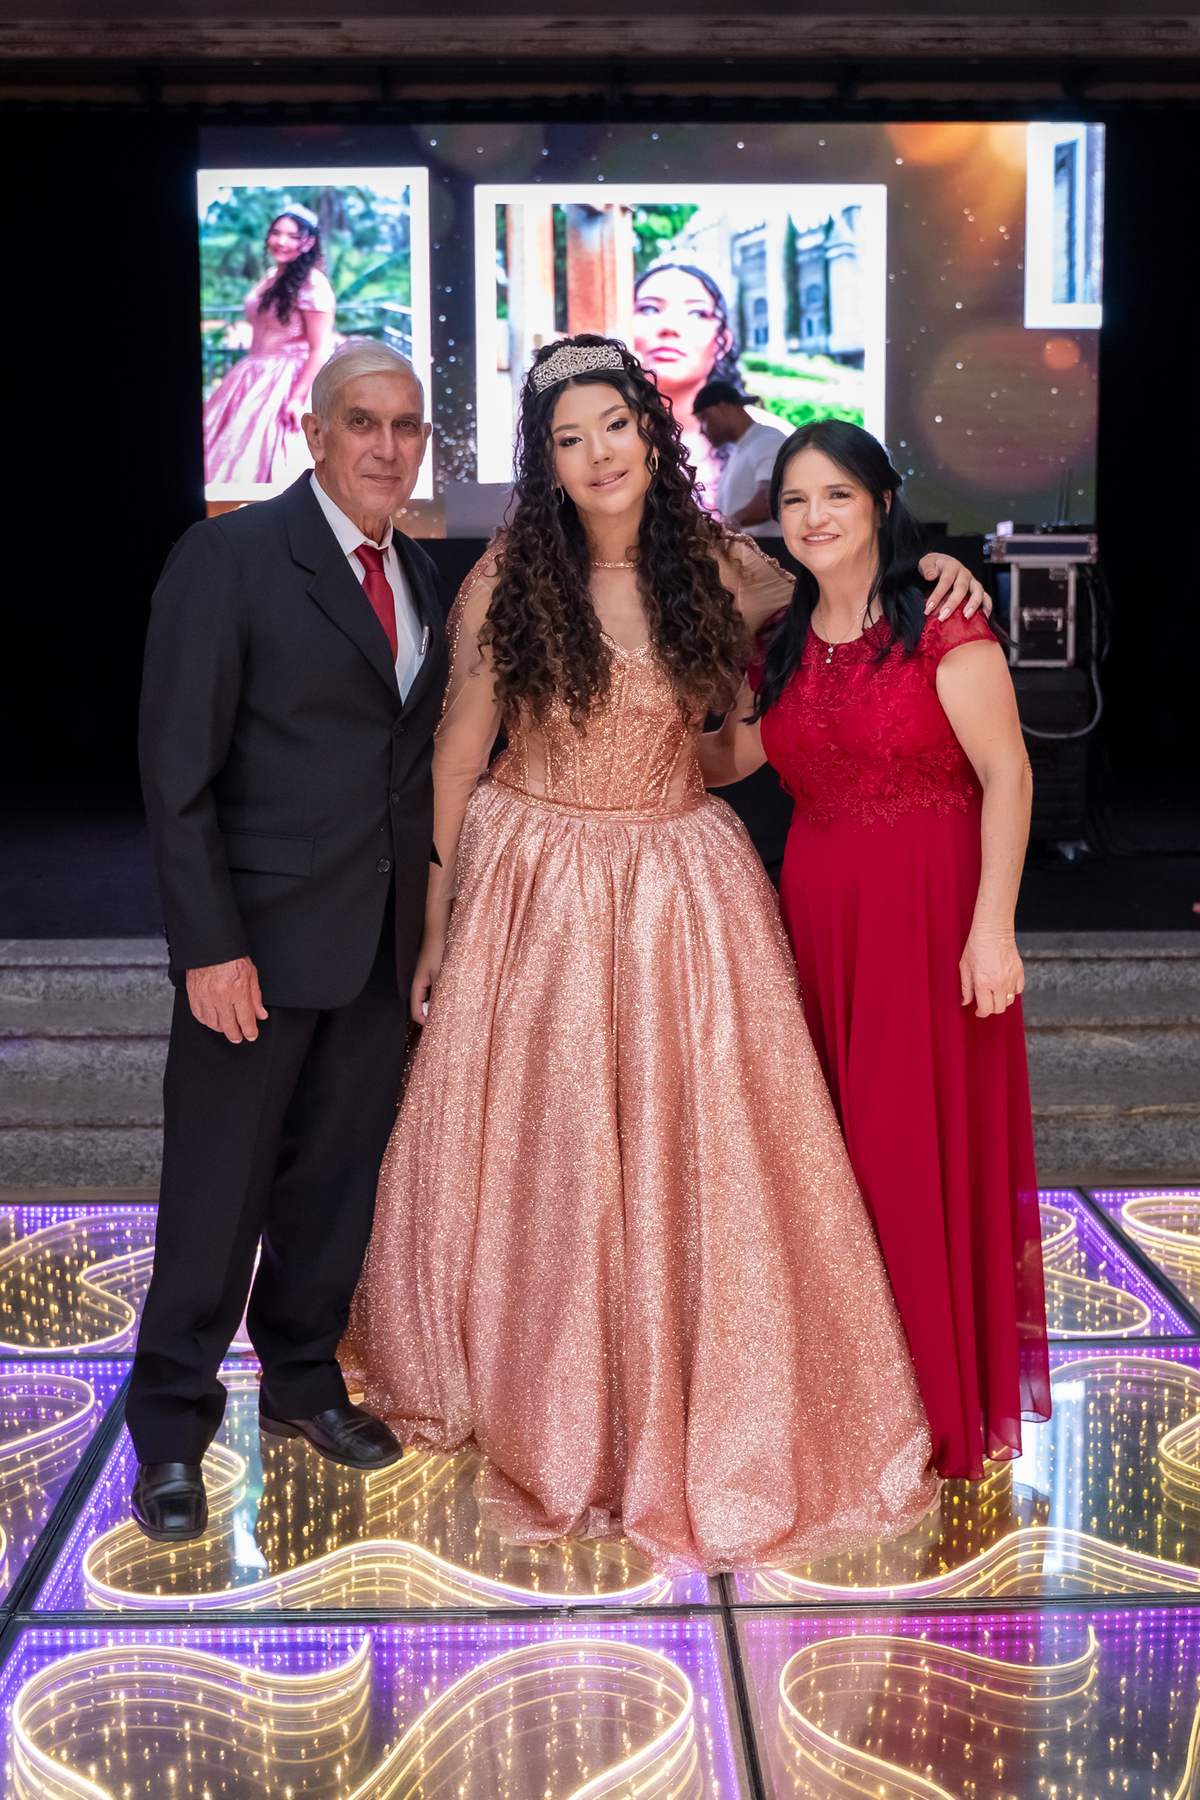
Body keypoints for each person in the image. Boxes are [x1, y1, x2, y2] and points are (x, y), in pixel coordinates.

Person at [345, 336, 986, 1575]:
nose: (598, 454)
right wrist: (435, 925)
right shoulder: (509, 581)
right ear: (546, 461)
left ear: (652, 431)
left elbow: (839, 581)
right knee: (556, 1158)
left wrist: (933, 567)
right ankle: (561, 1399)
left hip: (683, 880)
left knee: (709, 1161)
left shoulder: (718, 564)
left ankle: (696, 1387)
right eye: (567, 438)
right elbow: (455, 761)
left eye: (615, 425)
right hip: (541, 880)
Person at [130, 341, 449, 1542]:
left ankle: (303, 1381)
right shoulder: (230, 558)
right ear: (314, 434)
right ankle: (171, 1426)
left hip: (376, 942)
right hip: (253, 951)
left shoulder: (420, 573)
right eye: (362, 422)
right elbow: (177, 774)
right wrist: (207, 948)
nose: (385, 446)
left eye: (406, 426)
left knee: (334, 1186)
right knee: (216, 1195)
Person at [699, 420, 1051, 1482]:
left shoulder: (942, 624)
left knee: (908, 1155)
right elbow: (732, 758)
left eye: (837, 496)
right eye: (795, 500)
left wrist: (992, 930)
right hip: (819, 924)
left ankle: (930, 1410)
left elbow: (1010, 776)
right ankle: (854, 1399)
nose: (813, 517)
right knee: (834, 1165)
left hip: (930, 922)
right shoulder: (783, 640)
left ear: (881, 505)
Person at [204, 205, 336, 490]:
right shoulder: (270, 276)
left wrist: (296, 398)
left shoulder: (313, 283)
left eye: (292, 236)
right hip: (252, 372)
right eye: (276, 233)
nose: (281, 241)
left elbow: (320, 348)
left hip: (289, 378)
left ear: (309, 242)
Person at [632, 262, 740, 512]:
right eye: (649, 309)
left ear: (722, 343)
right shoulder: (578, 441)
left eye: (697, 313)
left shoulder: (772, 442)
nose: (670, 328)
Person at [693, 379, 789, 537]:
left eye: (703, 419)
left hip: (770, 549)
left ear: (723, 408)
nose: (701, 431)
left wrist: (723, 527)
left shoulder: (768, 442)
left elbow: (768, 501)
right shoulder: (743, 448)